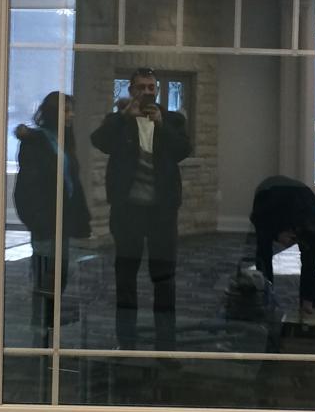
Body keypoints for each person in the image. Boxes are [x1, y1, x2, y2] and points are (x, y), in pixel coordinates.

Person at [90, 67, 191, 349]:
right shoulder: (119, 120)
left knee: (164, 277)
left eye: (152, 87)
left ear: (157, 91)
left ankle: (165, 343)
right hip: (128, 211)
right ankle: (126, 341)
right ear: (131, 90)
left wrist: (162, 125)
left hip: (162, 213)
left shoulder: (172, 120)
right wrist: (123, 117)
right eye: (142, 87)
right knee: (125, 275)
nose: (148, 92)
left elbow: (184, 150)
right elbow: (98, 141)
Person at [13, 91, 90, 337]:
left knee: (59, 275)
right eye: (67, 110)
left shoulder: (63, 139)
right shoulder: (36, 142)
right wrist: (38, 219)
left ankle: (49, 326)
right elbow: (28, 186)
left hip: (62, 220)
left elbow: (71, 180)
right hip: (46, 220)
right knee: (46, 276)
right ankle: (41, 331)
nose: (72, 115)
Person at [249, 175, 315, 317]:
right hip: (268, 190)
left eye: (295, 239)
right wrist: (276, 233)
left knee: (310, 260)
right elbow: (257, 221)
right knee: (263, 250)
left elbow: (311, 265)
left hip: (301, 195)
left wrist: (308, 300)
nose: (290, 243)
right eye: (290, 237)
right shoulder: (264, 212)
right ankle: (264, 295)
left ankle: (307, 304)